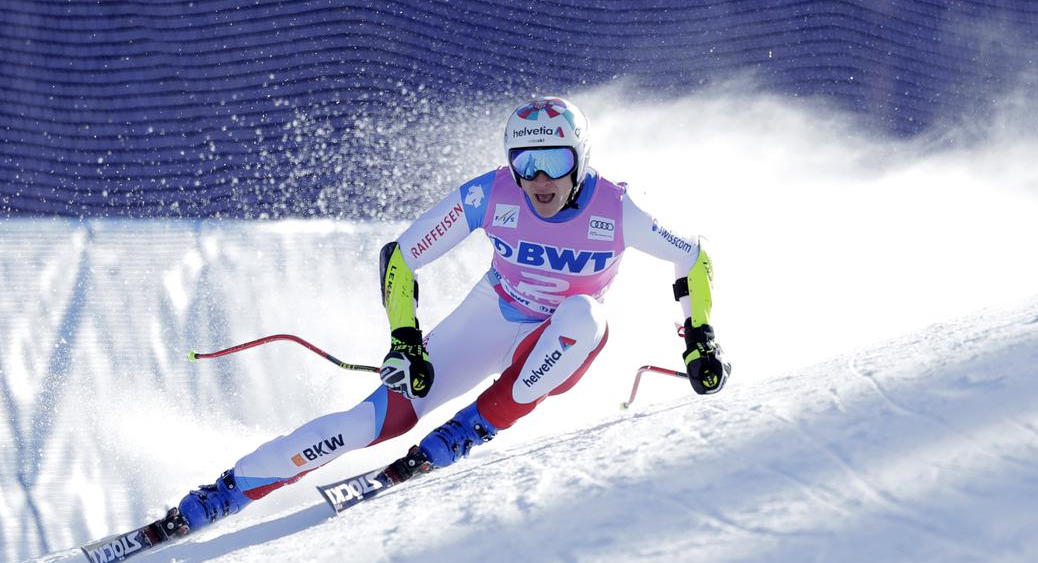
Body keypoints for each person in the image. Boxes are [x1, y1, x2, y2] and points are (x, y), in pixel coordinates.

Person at [175, 96, 731, 531]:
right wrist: (405, 341)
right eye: (525, 163)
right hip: (492, 317)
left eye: (554, 162)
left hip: (560, 341)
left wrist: (700, 337)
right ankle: (226, 490)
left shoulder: (618, 209)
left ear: (581, 160)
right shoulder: (490, 194)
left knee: (584, 315)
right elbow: (400, 256)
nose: (539, 180)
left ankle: (470, 429)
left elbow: (693, 257)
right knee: (369, 423)